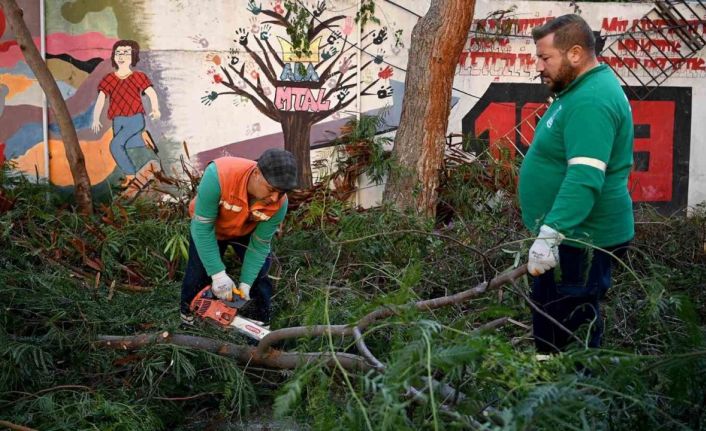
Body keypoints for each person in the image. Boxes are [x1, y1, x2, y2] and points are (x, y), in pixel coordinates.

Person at [519, 14, 634, 353]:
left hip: (580, 240)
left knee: (568, 331)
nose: (539, 66)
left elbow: (585, 178)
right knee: (552, 318)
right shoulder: (580, 89)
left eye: (545, 57)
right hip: (570, 237)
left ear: (574, 54)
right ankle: (552, 386)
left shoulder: (591, 101)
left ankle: (570, 396)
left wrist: (550, 235)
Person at [179, 149, 298, 328]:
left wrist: (246, 284)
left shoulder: (280, 204)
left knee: (261, 273)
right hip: (209, 229)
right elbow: (202, 228)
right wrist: (218, 275)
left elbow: (259, 245)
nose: (275, 198)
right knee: (197, 275)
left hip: (245, 230)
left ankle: (260, 322)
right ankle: (188, 318)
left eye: (281, 193)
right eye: (272, 189)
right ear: (257, 173)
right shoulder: (219, 175)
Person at [91, 39, 160, 192]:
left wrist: (155, 109)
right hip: (117, 120)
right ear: (114, 56)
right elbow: (101, 98)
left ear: (133, 57)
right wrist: (95, 118)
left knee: (115, 145)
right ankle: (143, 139)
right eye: (118, 53)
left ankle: (130, 175)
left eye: (126, 53)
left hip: (135, 118)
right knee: (125, 145)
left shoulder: (138, 77)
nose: (121, 56)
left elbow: (151, 92)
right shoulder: (109, 79)